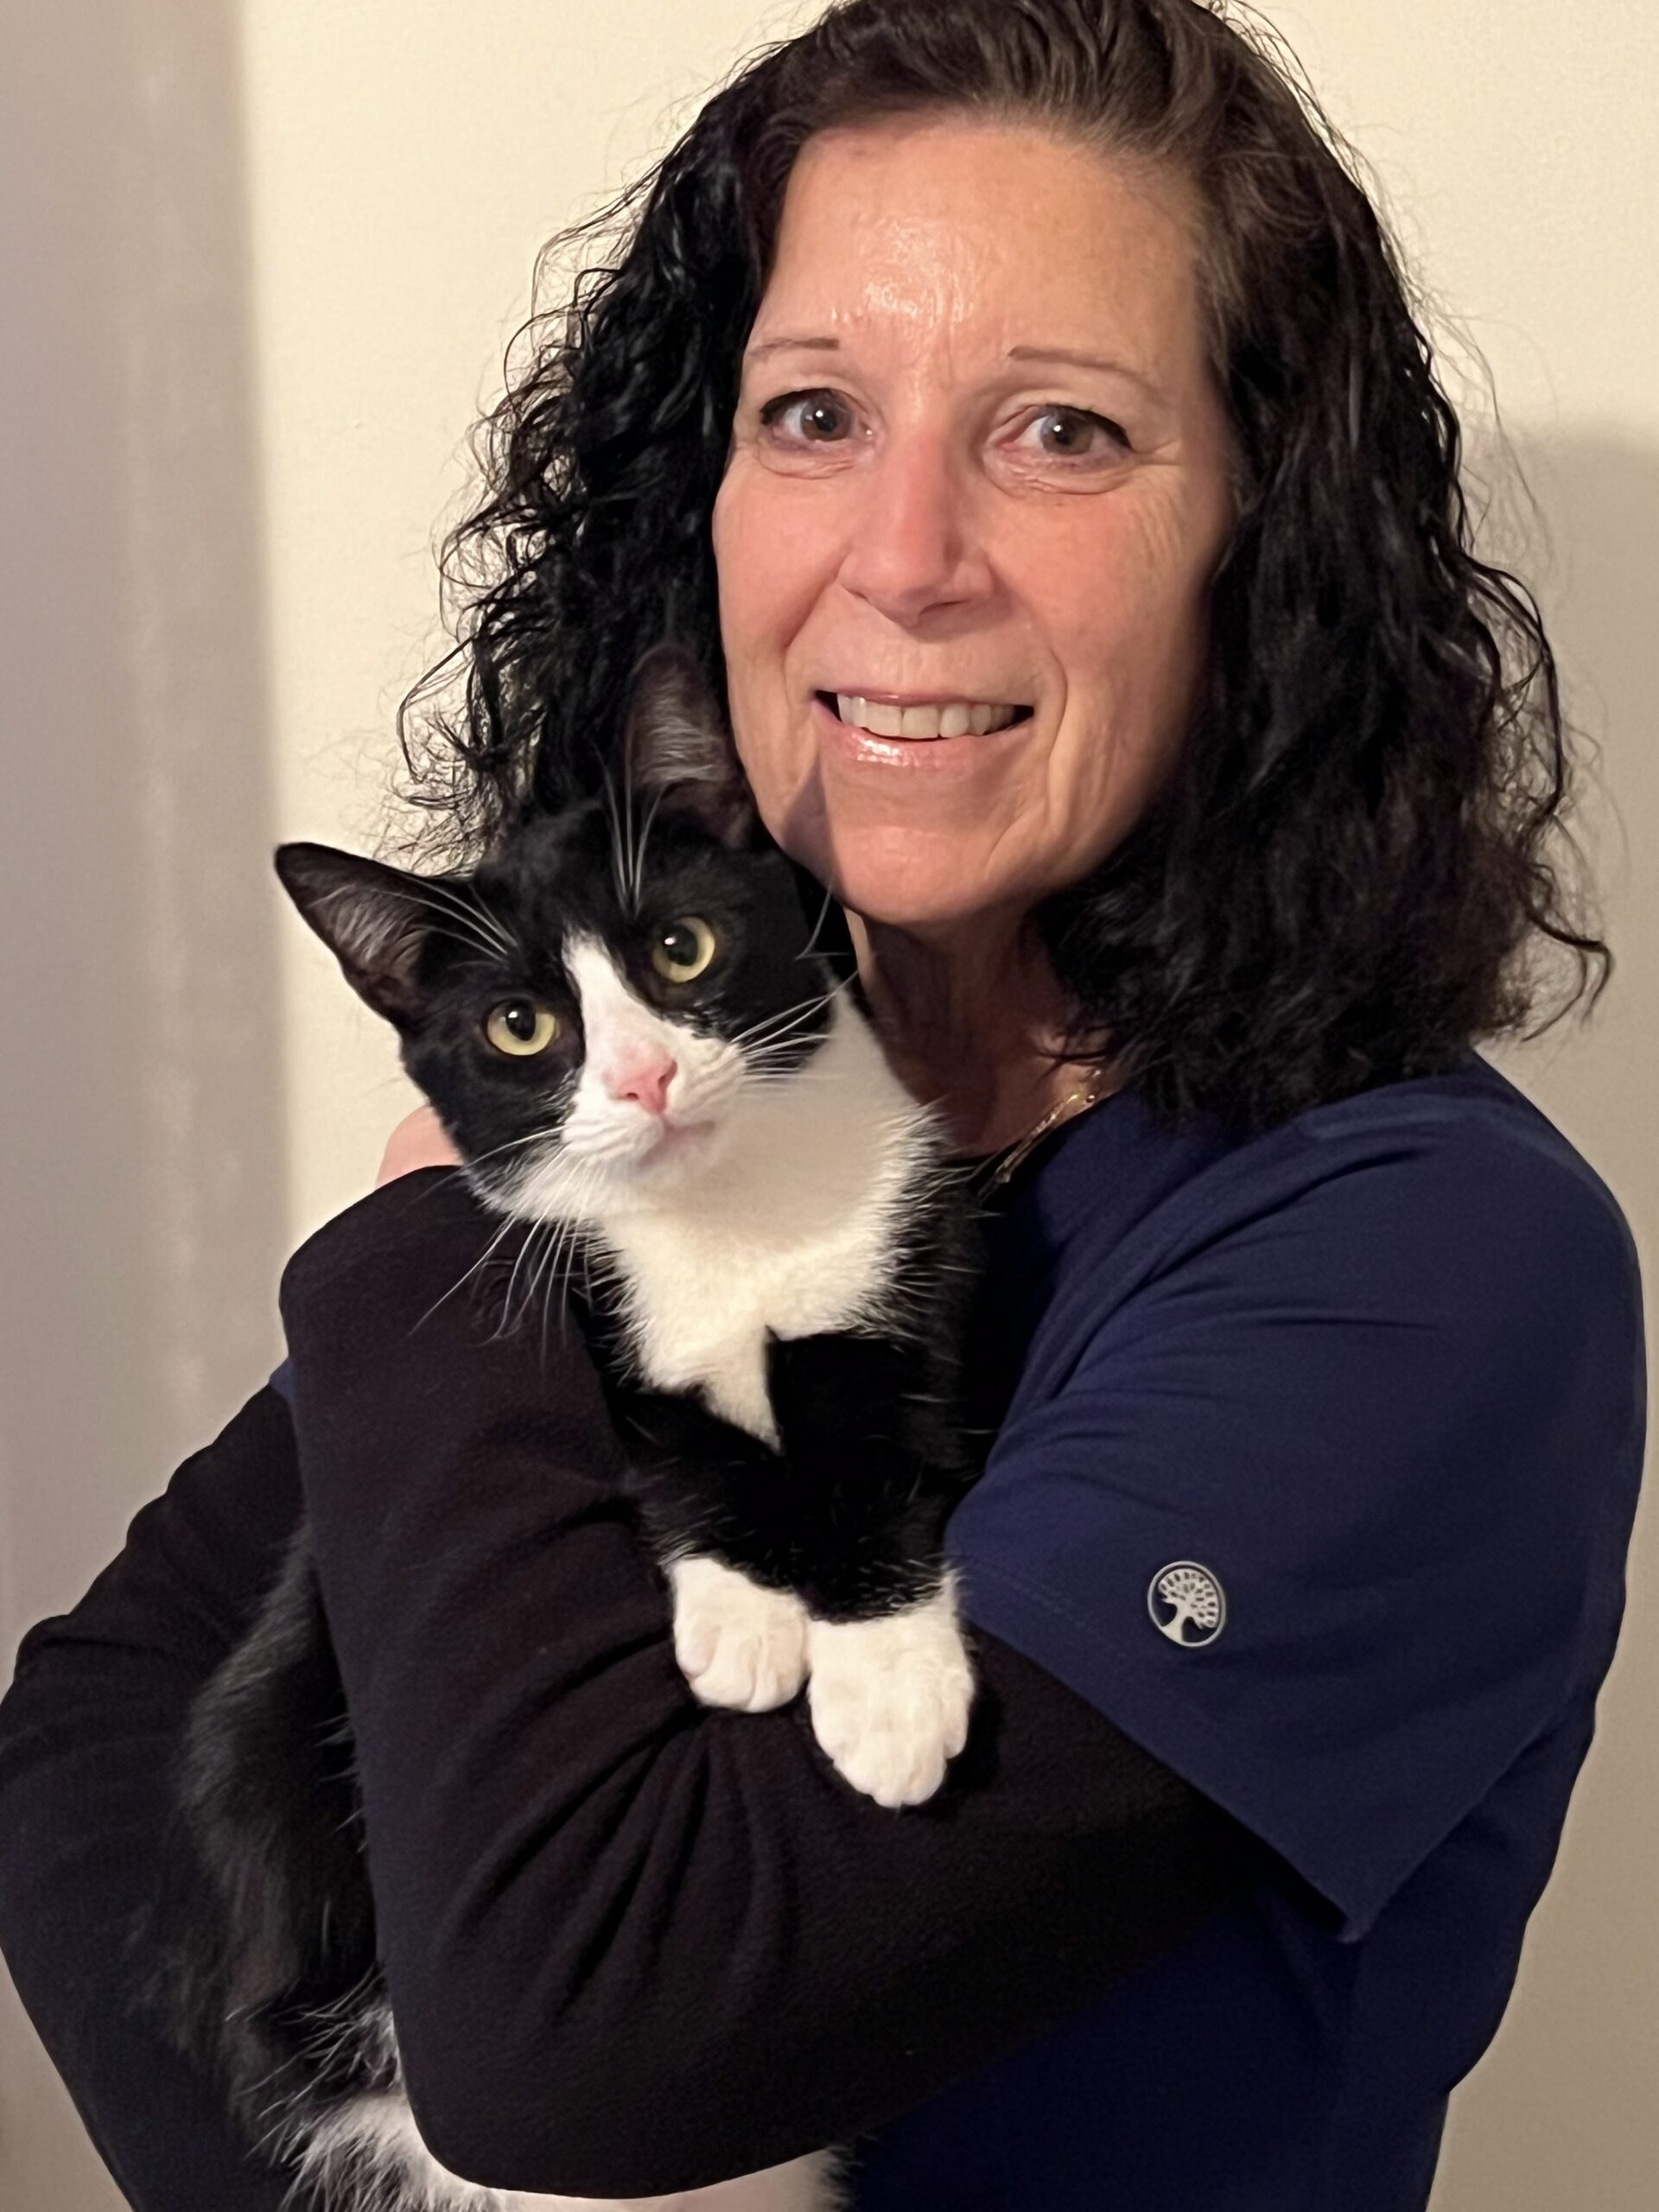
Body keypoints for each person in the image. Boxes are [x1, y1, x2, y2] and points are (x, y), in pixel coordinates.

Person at [0, 2, 1645, 2208]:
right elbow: (92, 1729)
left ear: (1264, 544)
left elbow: (589, 2043)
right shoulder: (678, 1123)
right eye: (811, 414)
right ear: (704, 502)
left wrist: (418, 1230)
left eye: (1060, 430)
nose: (905, 553)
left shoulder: (1420, 1260)